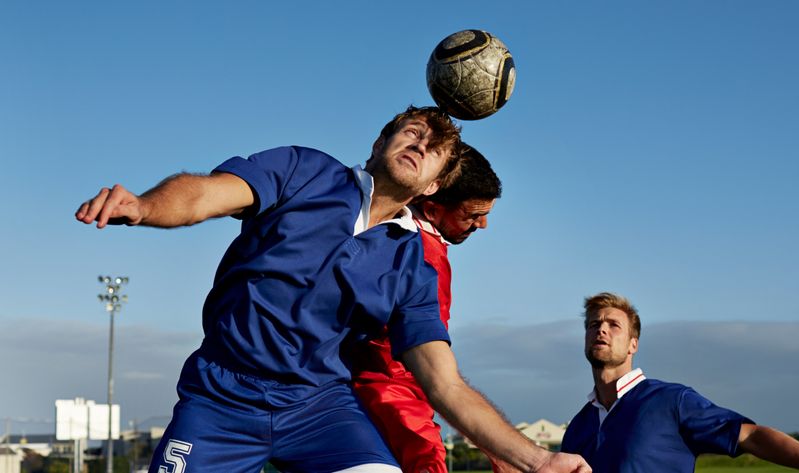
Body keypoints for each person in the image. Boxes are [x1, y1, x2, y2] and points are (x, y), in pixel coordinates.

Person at [76, 106, 590, 473]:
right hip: (221, 398)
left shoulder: (412, 265)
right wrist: (145, 207)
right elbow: (205, 196)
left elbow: (445, 385)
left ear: (433, 186)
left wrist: (539, 459)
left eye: (433, 150)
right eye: (411, 132)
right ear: (379, 143)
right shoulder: (303, 171)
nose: (419, 145)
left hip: (318, 409)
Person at [560, 292, 799, 473]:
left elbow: (751, 436)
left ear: (633, 344)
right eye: (593, 324)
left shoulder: (671, 401)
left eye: (613, 324)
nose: (601, 329)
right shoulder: (577, 427)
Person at [352, 143, 502, 473]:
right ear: (432, 209)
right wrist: (427, 454)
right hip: (386, 413)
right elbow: (398, 371)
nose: (483, 225)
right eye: (473, 215)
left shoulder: (373, 231)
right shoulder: (424, 256)